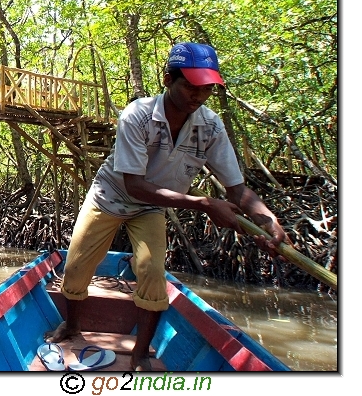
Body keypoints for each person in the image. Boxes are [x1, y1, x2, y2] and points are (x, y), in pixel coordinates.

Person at [46, 42, 289, 371]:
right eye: (190, 85)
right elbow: (134, 185)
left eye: (207, 88)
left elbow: (237, 189)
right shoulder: (138, 116)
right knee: (76, 267)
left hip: (151, 208)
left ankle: (140, 353)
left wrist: (268, 220)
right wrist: (203, 204)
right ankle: (72, 324)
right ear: (167, 80)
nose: (198, 95)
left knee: (151, 271)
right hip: (111, 195)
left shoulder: (212, 127)